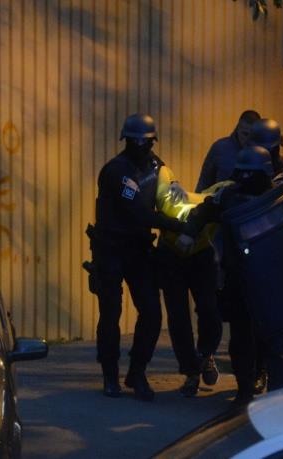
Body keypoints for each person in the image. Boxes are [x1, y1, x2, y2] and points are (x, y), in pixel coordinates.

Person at [177, 146, 283, 404]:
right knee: (242, 340)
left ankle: (280, 398)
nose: (246, 179)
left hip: (272, 281)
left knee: (276, 342)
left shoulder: (279, 199)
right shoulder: (228, 196)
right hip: (240, 279)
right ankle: (245, 392)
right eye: (243, 173)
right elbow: (203, 211)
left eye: (251, 174)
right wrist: (189, 232)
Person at [85, 113, 189, 401]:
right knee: (111, 314)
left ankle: (137, 371)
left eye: (146, 142)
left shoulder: (156, 166)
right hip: (111, 249)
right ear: (126, 141)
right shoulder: (117, 171)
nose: (142, 146)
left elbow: (166, 190)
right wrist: (179, 226)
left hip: (139, 250)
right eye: (136, 141)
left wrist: (177, 191)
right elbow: (140, 213)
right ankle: (110, 375)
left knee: (152, 314)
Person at [154, 167, 232, 397]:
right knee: (178, 317)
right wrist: (174, 183)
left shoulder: (219, 198)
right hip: (170, 256)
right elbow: (161, 170)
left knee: (209, 309)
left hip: (202, 255)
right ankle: (191, 372)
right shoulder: (165, 193)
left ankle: (205, 355)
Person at [247, 118, 283, 394]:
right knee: (260, 317)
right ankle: (260, 369)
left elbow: (277, 193)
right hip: (262, 247)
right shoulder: (250, 166)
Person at [195, 110, 261, 193]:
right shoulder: (220, 148)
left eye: (253, 135)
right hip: (222, 199)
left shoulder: (264, 152)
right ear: (238, 129)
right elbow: (204, 183)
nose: (248, 139)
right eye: (245, 134)